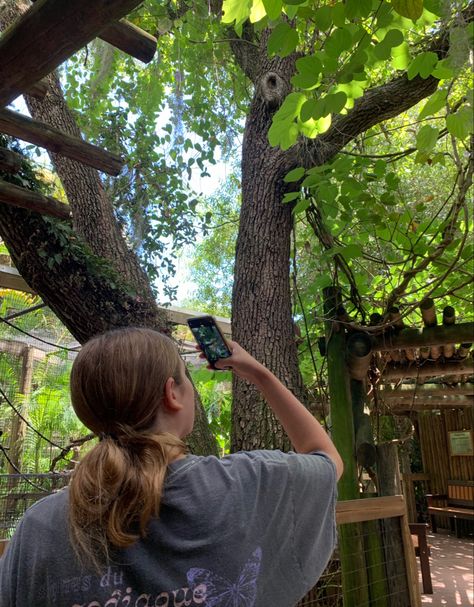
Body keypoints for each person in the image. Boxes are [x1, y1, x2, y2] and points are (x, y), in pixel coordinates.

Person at [0, 327, 343, 607]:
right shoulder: (248, 483)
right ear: (172, 394)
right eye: (185, 378)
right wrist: (260, 374)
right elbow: (327, 459)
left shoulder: (38, 529)